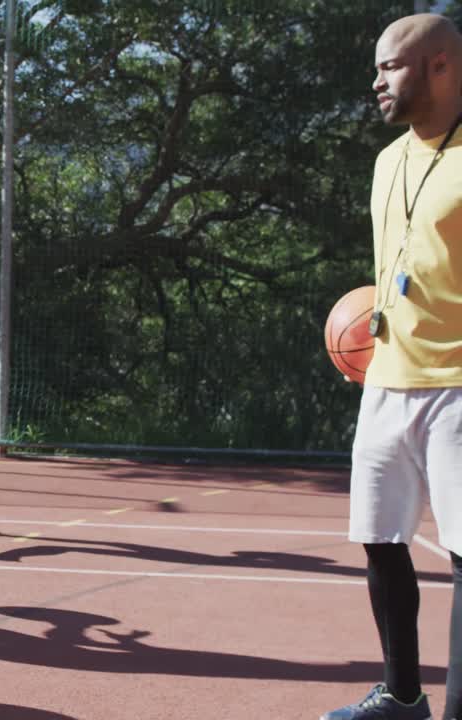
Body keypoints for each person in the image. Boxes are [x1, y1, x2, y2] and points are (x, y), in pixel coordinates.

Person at [321, 13, 462, 720]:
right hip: (385, 380)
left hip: (458, 387)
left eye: (390, 67)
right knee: (379, 538)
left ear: (440, 66)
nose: (375, 80)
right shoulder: (386, 162)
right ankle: (404, 698)